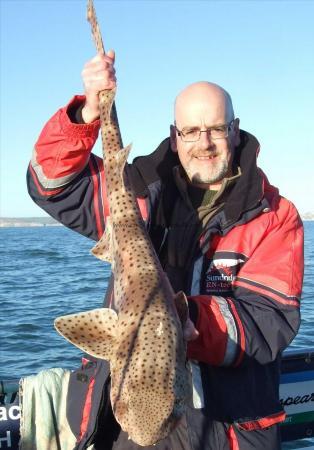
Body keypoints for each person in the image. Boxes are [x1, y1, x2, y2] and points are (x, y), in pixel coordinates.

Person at [27, 51, 304, 450]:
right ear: (175, 136)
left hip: (229, 433)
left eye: (216, 129)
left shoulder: (274, 216)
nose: (203, 143)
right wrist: (88, 113)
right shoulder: (139, 190)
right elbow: (53, 185)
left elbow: (270, 319)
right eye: (191, 131)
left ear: (236, 130)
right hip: (130, 426)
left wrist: (189, 320)